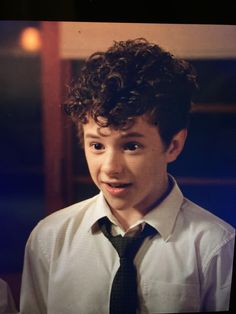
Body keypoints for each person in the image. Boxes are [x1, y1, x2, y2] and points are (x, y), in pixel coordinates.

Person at [19, 38, 235, 313]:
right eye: (97, 145)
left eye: (131, 146)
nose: (110, 167)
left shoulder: (216, 248)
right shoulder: (49, 239)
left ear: (174, 146)